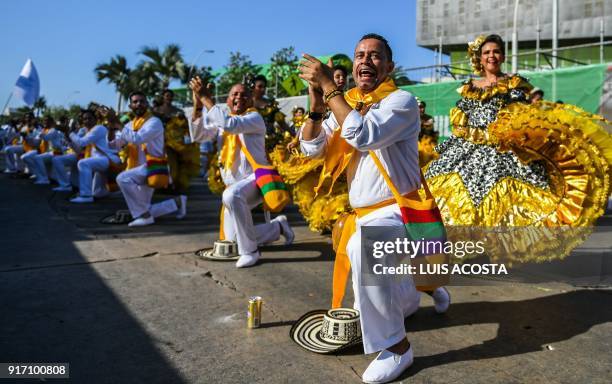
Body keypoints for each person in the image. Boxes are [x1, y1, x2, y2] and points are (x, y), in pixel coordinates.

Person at [299, 33, 448, 383]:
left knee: (365, 248)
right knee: (363, 255)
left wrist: (329, 88)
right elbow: (311, 149)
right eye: (360, 55)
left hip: (402, 209)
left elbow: (364, 135)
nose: (366, 60)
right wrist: (317, 105)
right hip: (364, 214)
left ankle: (397, 348)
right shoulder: (347, 103)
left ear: (389, 66)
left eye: (375, 55)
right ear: (353, 65)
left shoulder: (402, 101)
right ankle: (415, 292)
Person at [425, 34, 612, 260]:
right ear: (479, 58)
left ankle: (491, 249)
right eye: (486, 53)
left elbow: (525, 118)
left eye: (495, 52)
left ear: (502, 56)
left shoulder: (515, 83)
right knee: (447, 195)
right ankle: (463, 248)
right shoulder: (468, 87)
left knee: (507, 203)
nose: (491, 56)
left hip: (503, 153)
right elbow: (461, 124)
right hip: (466, 152)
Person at [190, 77, 294, 268]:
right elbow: (198, 136)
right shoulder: (223, 119)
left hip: (255, 181)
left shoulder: (253, 118)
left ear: (251, 100)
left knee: (231, 194)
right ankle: (277, 227)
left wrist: (205, 97)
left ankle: (251, 252)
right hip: (234, 186)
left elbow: (230, 124)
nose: (238, 97)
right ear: (228, 100)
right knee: (234, 240)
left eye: (243, 94)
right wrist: (198, 104)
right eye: (234, 94)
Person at [113, 92, 186, 227]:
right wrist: (111, 133)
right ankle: (177, 202)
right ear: (130, 106)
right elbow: (118, 144)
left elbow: (137, 139)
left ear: (147, 104)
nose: (138, 104)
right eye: (135, 102)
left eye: (141, 101)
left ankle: (145, 217)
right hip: (136, 168)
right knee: (143, 207)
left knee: (122, 179)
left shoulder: (154, 122)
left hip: (152, 166)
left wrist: (117, 124)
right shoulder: (129, 125)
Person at [153, 89, 200, 215]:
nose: (168, 97)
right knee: (161, 162)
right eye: (166, 95)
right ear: (163, 97)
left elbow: (184, 125)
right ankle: (161, 184)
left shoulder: (177, 111)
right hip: (159, 141)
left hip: (174, 142)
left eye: (170, 96)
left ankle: (172, 184)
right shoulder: (156, 111)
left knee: (174, 163)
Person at [69, 109, 119, 203]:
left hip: (107, 159)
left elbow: (82, 142)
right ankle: (106, 191)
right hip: (99, 159)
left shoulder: (99, 128)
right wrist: (69, 139)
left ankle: (86, 196)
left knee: (83, 163)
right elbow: (79, 149)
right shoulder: (87, 131)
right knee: (98, 193)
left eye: (89, 118)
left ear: (95, 120)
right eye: (85, 119)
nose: (87, 121)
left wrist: (71, 133)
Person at [25, 116, 65, 185]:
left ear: (52, 122)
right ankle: (40, 176)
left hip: (56, 152)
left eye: (47, 120)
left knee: (37, 158)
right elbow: (36, 142)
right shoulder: (44, 130)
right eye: (44, 121)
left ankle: (44, 179)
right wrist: (27, 137)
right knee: (33, 157)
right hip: (48, 152)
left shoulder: (53, 130)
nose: (45, 122)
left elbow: (46, 138)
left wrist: (38, 130)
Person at [417, 99, 438, 167]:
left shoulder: (429, 118)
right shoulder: (410, 119)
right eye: (420, 107)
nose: (422, 109)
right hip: (415, 146)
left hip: (427, 147)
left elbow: (429, 128)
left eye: (423, 107)